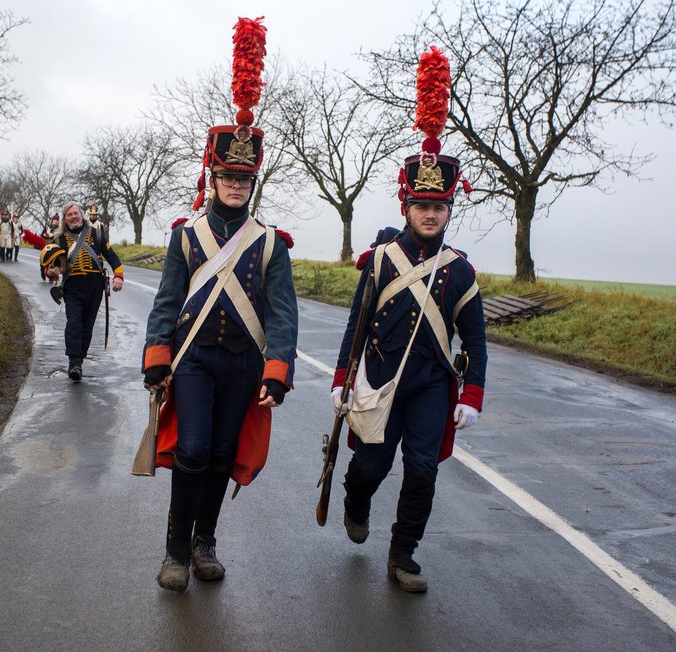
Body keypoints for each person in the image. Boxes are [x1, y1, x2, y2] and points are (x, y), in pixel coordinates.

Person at [141, 16, 298, 593]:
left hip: (244, 363)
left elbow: (283, 313)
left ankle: (206, 541)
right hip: (197, 358)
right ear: (213, 176)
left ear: (253, 181)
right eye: (228, 176)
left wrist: (278, 369)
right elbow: (166, 302)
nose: (235, 185)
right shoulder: (186, 236)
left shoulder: (269, 243)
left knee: (223, 452)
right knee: (194, 447)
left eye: (244, 178)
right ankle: (175, 551)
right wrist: (157, 356)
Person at [331, 47, 487, 594]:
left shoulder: (461, 272)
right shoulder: (378, 260)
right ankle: (355, 499)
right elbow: (355, 327)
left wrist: (471, 395)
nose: (430, 213)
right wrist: (340, 382)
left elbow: (477, 340)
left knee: (422, 470)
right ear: (406, 206)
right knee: (371, 468)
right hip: (379, 381)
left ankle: (402, 555)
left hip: (431, 385)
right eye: (421, 204)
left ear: (448, 210)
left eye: (439, 206)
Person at [53, 201, 124, 381]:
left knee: (87, 326)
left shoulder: (97, 234)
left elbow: (112, 257)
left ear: (81, 215)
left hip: (94, 286)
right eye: (69, 215)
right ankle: (74, 363)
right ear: (65, 219)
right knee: (74, 323)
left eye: (75, 213)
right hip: (73, 286)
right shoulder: (60, 239)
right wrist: (52, 271)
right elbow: (56, 265)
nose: (73, 217)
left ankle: (79, 360)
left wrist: (118, 276)